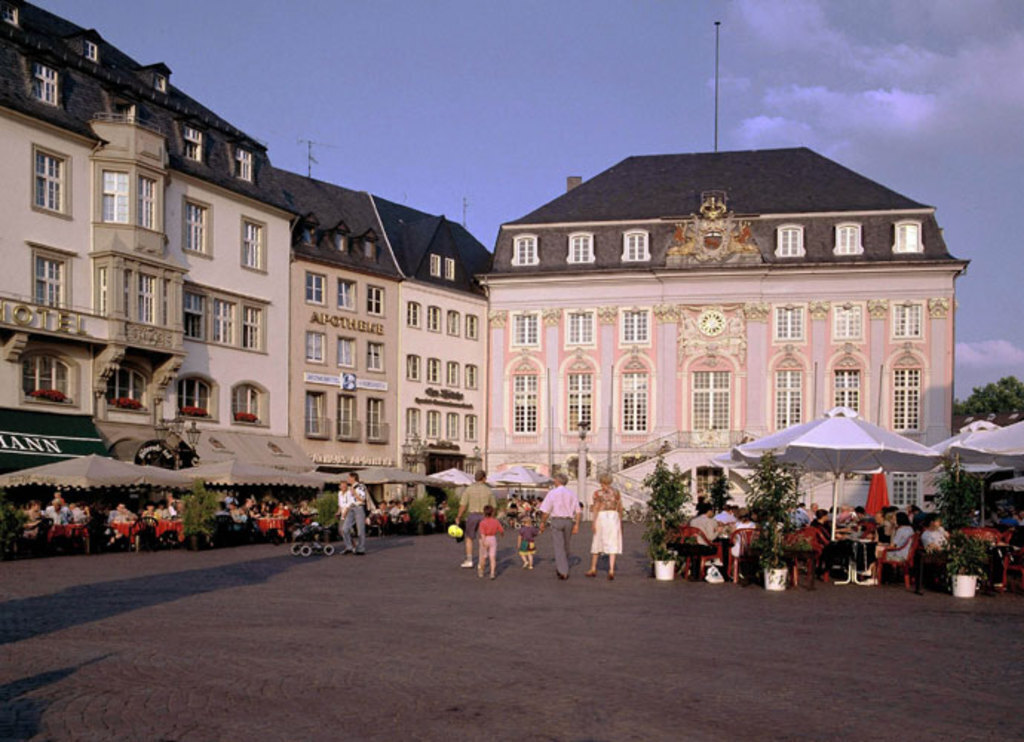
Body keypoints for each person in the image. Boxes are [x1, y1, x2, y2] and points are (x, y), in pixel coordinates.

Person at [537, 472, 581, 580]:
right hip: (568, 521)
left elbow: (546, 511)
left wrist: (542, 522)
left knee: (559, 546)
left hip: (557, 520)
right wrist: (577, 524)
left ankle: (563, 570)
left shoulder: (552, 493)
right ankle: (562, 566)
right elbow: (578, 511)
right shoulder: (571, 493)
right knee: (566, 545)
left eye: (555, 480)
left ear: (558, 481)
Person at [456, 470, 496, 569]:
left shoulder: (468, 489)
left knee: (469, 538)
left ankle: (469, 560)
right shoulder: (488, 490)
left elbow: (463, 505)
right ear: (484, 478)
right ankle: (481, 562)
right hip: (484, 516)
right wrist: (492, 518)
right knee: (482, 539)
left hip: (472, 515)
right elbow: (493, 507)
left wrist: (459, 516)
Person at [586, 473, 623, 580]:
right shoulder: (616, 493)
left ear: (601, 482)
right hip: (613, 517)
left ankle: (593, 568)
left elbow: (596, 508)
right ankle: (611, 569)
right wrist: (620, 521)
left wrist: (593, 523)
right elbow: (620, 507)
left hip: (602, 517)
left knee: (597, 541)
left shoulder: (598, 493)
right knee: (613, 542)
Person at [339, 471, 368, 555]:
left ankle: (360, 549)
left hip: (359, 507)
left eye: (349, 477)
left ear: (353, 478)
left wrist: (354, 493)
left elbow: (362, 499)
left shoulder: (361, 486)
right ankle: (349, 547)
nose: (347, 479)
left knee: (360, 530)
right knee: (344, 529)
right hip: (351, 508)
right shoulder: (350, 487)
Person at [476, 505, 504, 579]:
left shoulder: (482, 522)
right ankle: (492, 573)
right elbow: (501, 530)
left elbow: (482, 533)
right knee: (492, 557)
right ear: (492, 513)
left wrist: (483, 541)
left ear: (484, 513)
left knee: (483, 557)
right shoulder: (495, 521)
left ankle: (481, 571)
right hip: (493, 538)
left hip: (485, 538)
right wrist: (502, 534)